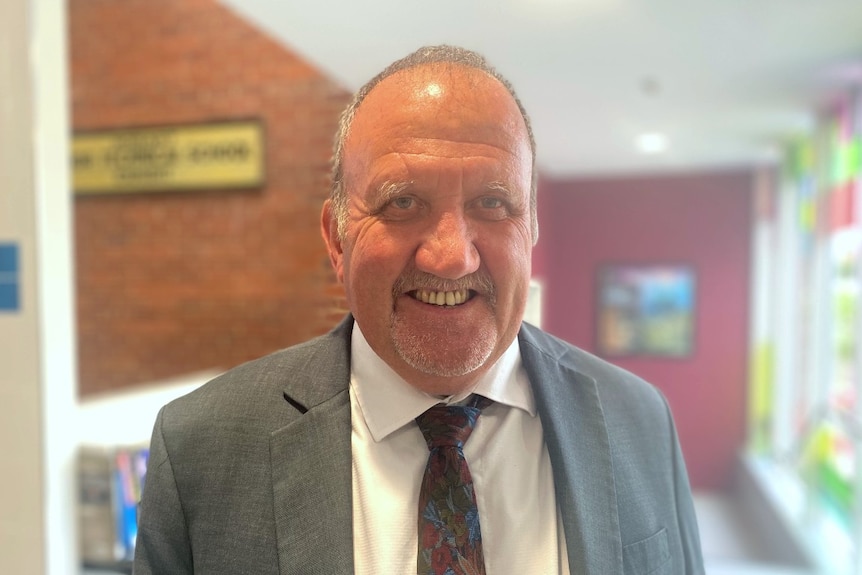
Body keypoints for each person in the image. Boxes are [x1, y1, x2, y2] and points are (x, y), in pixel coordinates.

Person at [134, 45, 704, 575]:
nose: (452, 257)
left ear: (529, 228)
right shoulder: (201, 452)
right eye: (402, 202)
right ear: (338, 240)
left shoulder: (638, 419)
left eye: (492, 202)